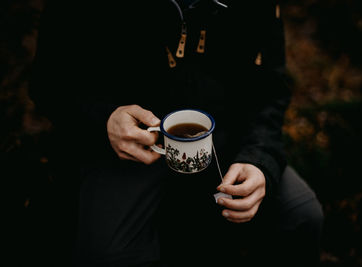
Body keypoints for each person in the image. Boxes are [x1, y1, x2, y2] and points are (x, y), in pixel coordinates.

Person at [29, 0, 324, 266]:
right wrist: (104, 119)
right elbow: (48, 81)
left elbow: (270, 89)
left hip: (224, 136)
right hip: (128, 147)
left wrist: (260, 160)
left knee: (301, 214)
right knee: (107, 254)